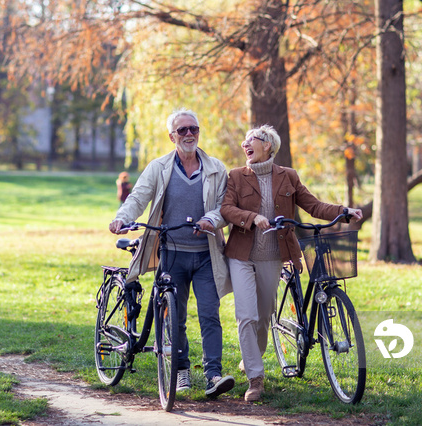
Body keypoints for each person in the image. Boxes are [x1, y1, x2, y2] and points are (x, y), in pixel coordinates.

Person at [220, 125, 362, 402]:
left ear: (268, 146)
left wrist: (343, 211)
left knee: (264, 315)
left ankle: (253, 354)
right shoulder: (236, 176)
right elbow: (227, 209)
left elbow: (314, 205)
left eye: (252, 140)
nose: (245, 144)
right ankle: (255, 377)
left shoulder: (288, 177)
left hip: (273, 256)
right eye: (244, 141)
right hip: (241, 254)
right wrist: (252, 217)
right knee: (247, 316)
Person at [108, 108, 235, 398]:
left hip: (206, 255)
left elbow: (224, 207)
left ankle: (213, 375)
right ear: (171, 136)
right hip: (171, 254)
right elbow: (138, 197)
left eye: (194, 129)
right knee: (174, 316)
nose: (189, 134)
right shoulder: (159, 167)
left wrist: (211, 220)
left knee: (209, 315)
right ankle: (180, 371)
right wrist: (122, 217)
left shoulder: (216, 168)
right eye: (183, 130)